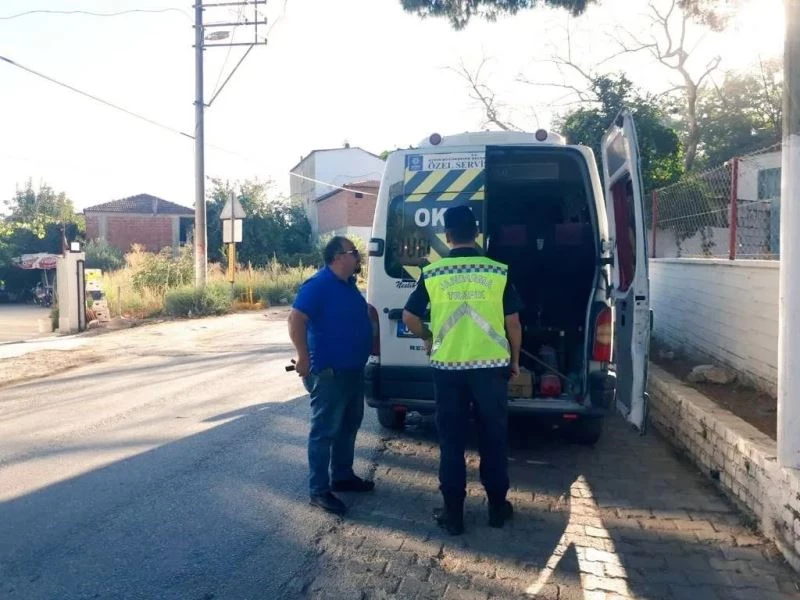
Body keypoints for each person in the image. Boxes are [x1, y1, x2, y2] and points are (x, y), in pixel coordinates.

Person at [402, 205, 523, 535]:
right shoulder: (498, 272)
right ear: (477, 234)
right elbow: (513, 322)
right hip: (491, 369)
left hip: (448, 370)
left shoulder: (433, 274)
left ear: (447, 236)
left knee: (452, 441)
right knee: (493, 438)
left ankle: (453, 514)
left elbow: (409, 317)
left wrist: (428, 338)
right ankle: (498, 508)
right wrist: (514, 361)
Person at [288, 236, 375, 516]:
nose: (358, 257)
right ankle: (319, 491)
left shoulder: (348, 286)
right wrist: (303, 356)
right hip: (329, 373)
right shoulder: (319, 284)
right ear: (338, 256)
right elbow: (295, 318)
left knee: (348, 427)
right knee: (324, 431)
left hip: (352, 371)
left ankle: (342, 476)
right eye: (354, 253)